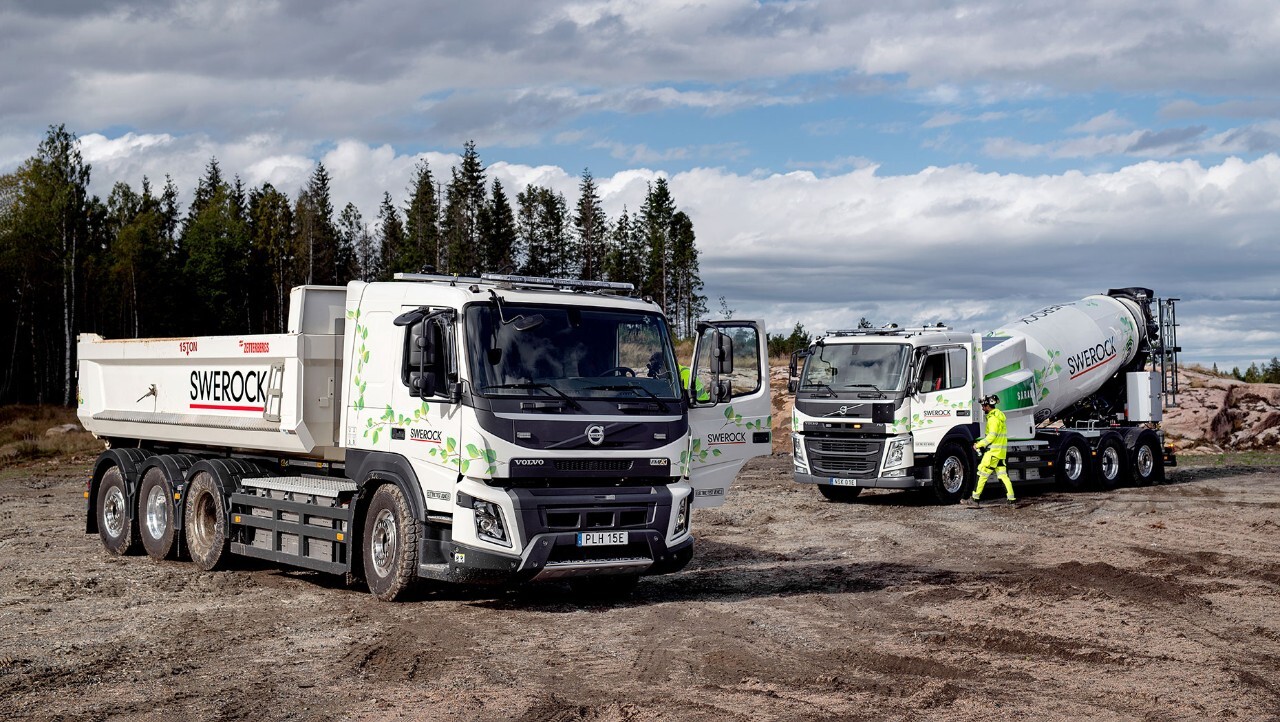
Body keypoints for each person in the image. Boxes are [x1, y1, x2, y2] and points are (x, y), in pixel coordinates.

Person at [962, 394, 1016, 508]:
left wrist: (978, 445)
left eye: (983, 406)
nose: (982, 408)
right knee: (1003, 476)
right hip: (1000, 453)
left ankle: (975, 499)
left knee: (981, 473)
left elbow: (991, 437)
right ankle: (1012, 500)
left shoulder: (993, 420)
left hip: (993, 453)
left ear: (988, 406)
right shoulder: (999, 418)